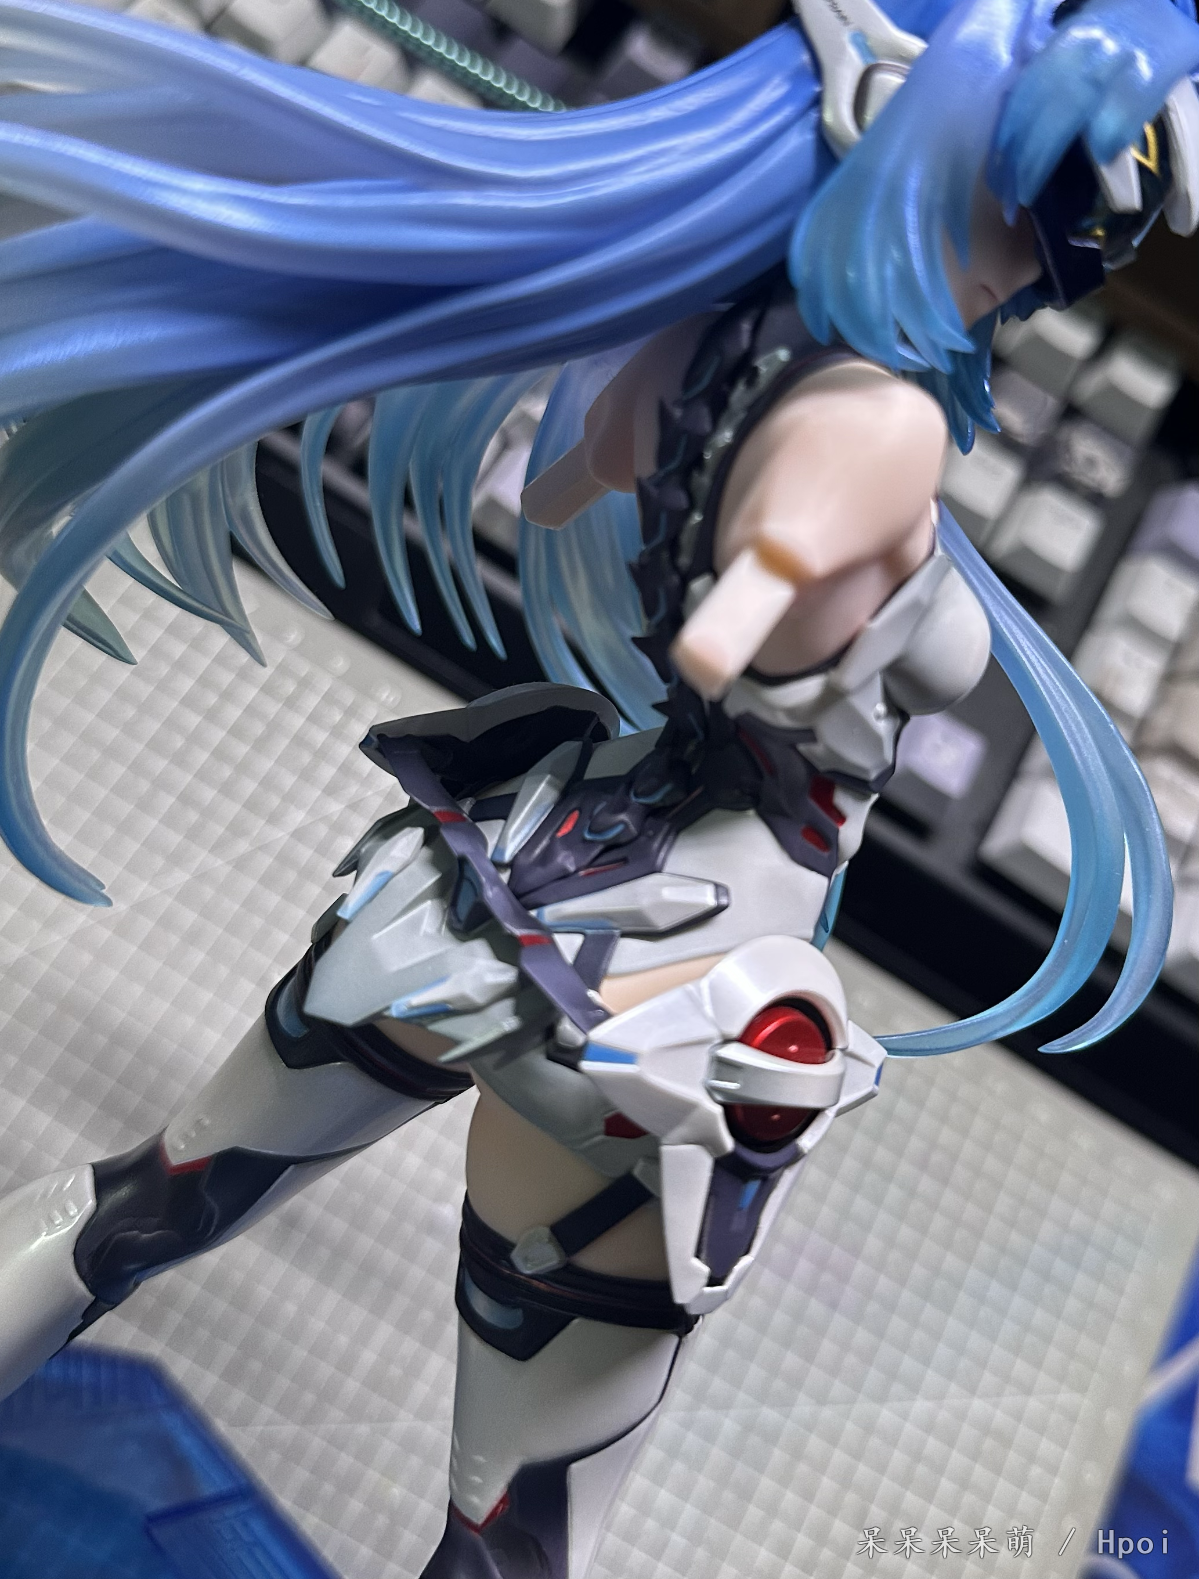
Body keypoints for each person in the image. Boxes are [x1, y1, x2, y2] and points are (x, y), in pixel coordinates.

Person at [0, 0, 1191, 1573]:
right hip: (674, 997)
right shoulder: (882, 427)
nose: (1053, 270)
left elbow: (584, 481)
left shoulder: (711, 341)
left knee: (146, 1202)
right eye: (1056, 217)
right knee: (518, 1538)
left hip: (496, 877)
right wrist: (773, 584)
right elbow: (754, 602)